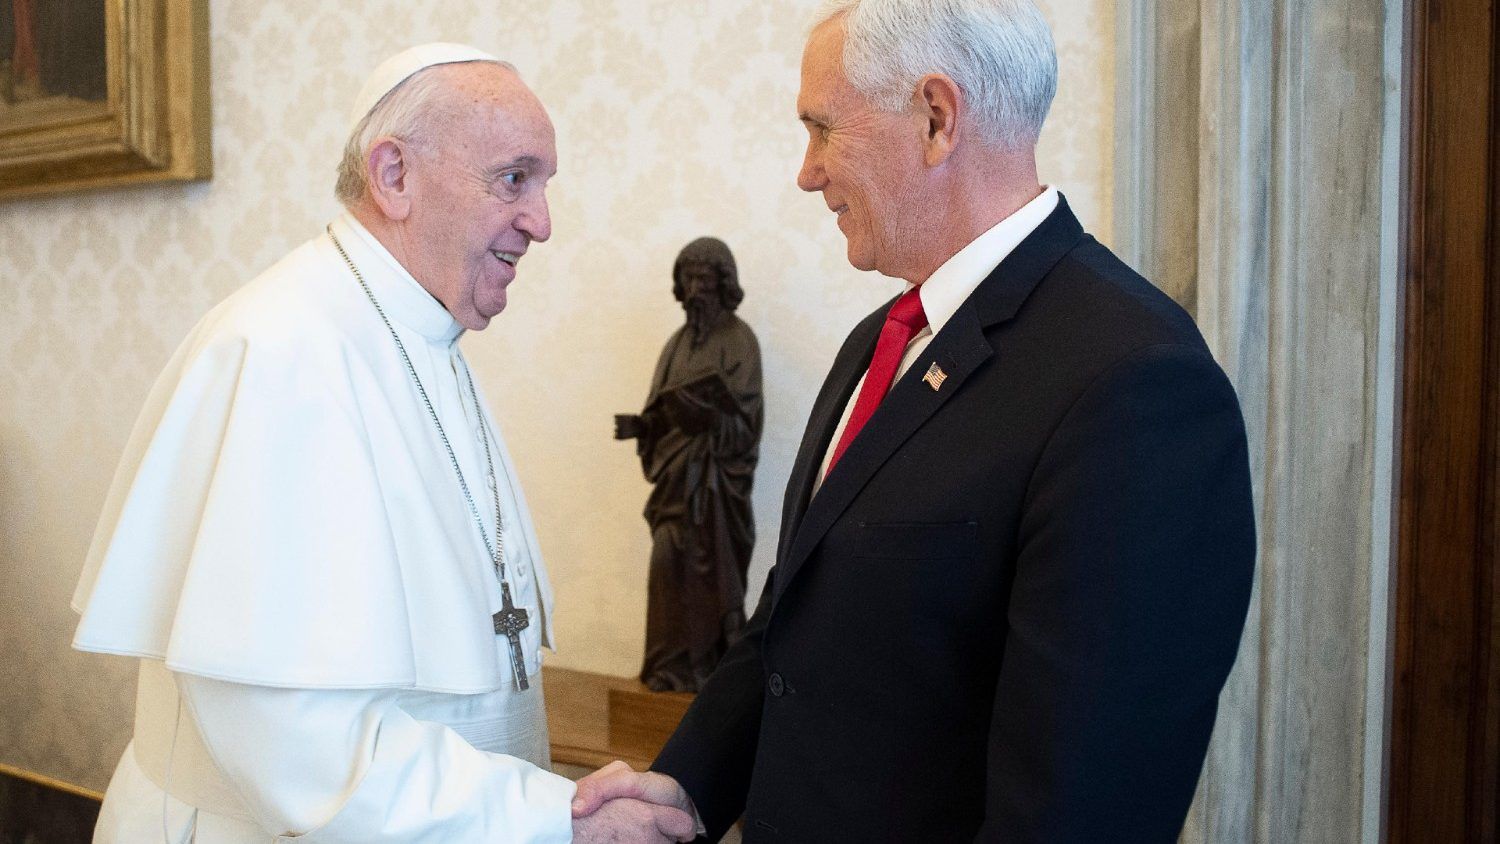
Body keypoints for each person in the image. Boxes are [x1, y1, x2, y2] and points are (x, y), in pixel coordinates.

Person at [572, 1, 1256, 840]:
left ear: (936, 118)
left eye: (823, 129)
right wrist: (688, 786)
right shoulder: (879, 342)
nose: (807, 171)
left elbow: (1080, 804)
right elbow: (795, 611)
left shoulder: (1134, 379)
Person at [70, 43, 694, 844]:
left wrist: (547, 807)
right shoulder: (286, 353)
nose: (542, 221)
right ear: (393, 175)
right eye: (514, 178)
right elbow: (294, 739)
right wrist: (545, 819)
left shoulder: (416, 334)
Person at [614, 237, 763, 692]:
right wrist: (641, 427)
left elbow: (746, 423)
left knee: (709, 576)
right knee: (665, 563)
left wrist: (710, 419)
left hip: (717, 490)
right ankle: (666, 669)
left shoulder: (739, 340)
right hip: (674, 490)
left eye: (705, 278)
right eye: (688, 278)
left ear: (723, 283)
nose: (696, 288)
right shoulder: (675, 345)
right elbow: (661, 412)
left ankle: (710, 674)